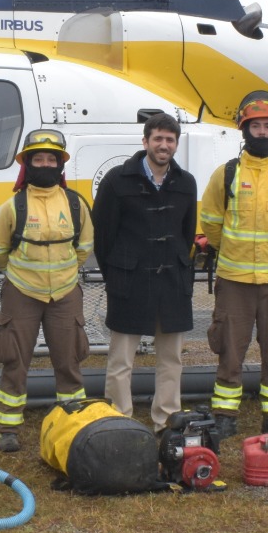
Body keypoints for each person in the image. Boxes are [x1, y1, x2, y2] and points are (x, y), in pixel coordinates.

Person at [199, 91, 268, 442]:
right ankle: (225, 414)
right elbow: (211, 222)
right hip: (234, 280)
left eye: (267, 126)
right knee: (230, 348)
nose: (261, 132)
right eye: (255, 126)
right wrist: (231, 250)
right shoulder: (226, 174)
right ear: (244, 131)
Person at [0, 128, 94, 452]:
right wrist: (20, 276)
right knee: (15, 362)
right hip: (22, 293)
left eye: (52, 158)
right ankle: (8, 427)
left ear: (60, 165)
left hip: (65, 293)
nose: (45, 164)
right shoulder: (13, 206)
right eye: (39, 158)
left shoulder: (76, 204)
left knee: (69, 360)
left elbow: (84, 246)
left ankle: (73, 421)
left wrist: (64, 275)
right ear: (28, 164)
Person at [92, 111, 198, 430]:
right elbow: (103, 235)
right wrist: (118, 274)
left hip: (172, 281)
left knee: (171, 359)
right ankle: (118, 420)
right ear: (145, 141)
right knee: (121, 359)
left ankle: (165, 421)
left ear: (176, 145)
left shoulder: (186, 183)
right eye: (158, 138)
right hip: (129, 280)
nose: (163, 145)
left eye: (170, 139)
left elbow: (187, 232)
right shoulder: (116, 180)